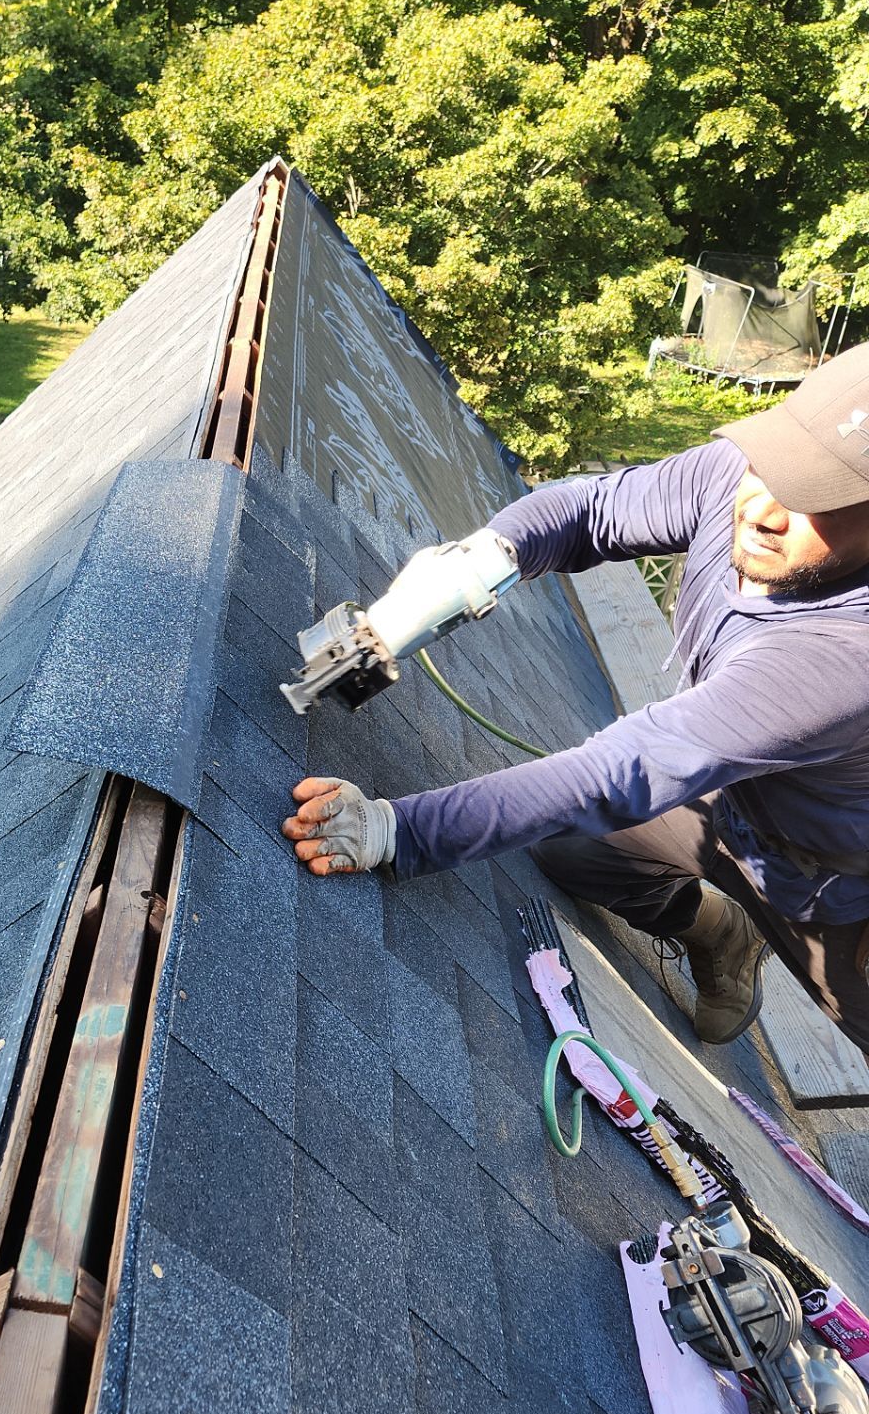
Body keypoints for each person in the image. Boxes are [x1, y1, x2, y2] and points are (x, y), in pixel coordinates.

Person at [281, 340, 869, 1051]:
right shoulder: (740, 479)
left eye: (817, 499)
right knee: (573, 852)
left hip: (831, 888)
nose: (766, 509)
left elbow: (610, 774)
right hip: (729, 796)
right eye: (777, 466)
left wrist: (400, 832)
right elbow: (590, 509)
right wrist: (484, 562)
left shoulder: (845, 658)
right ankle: (723, 932)